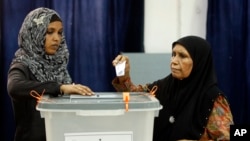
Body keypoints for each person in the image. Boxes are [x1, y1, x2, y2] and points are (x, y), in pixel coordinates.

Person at [112, 35, 234, 141]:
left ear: (198, 62)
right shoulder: (162, 86)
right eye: (173, 54)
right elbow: (133, 99)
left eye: (182, 56)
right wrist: (124, 76)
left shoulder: (213, 98)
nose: (174, 61)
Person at [7, 7, 94, 141]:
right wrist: (59, 88)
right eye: (49, 32)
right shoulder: (22, 64)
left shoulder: (57, 66)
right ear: (35, 33)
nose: (56, 39)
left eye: (60, 33)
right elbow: (14, 87)